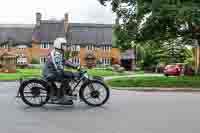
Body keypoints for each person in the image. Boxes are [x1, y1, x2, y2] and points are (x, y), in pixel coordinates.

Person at [42, 38, 78, 105]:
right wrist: (69, 72)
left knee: (67, 76)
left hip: (52, 72)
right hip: (50, 73)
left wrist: (75, 66)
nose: (65, 46)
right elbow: (58, 67)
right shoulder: (56, 54)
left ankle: (65, 95)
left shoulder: (59, 52)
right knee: (65, 79)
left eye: (65, 45)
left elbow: (65, 61)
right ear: (58, 45)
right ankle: (61, 98)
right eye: (63, 45)